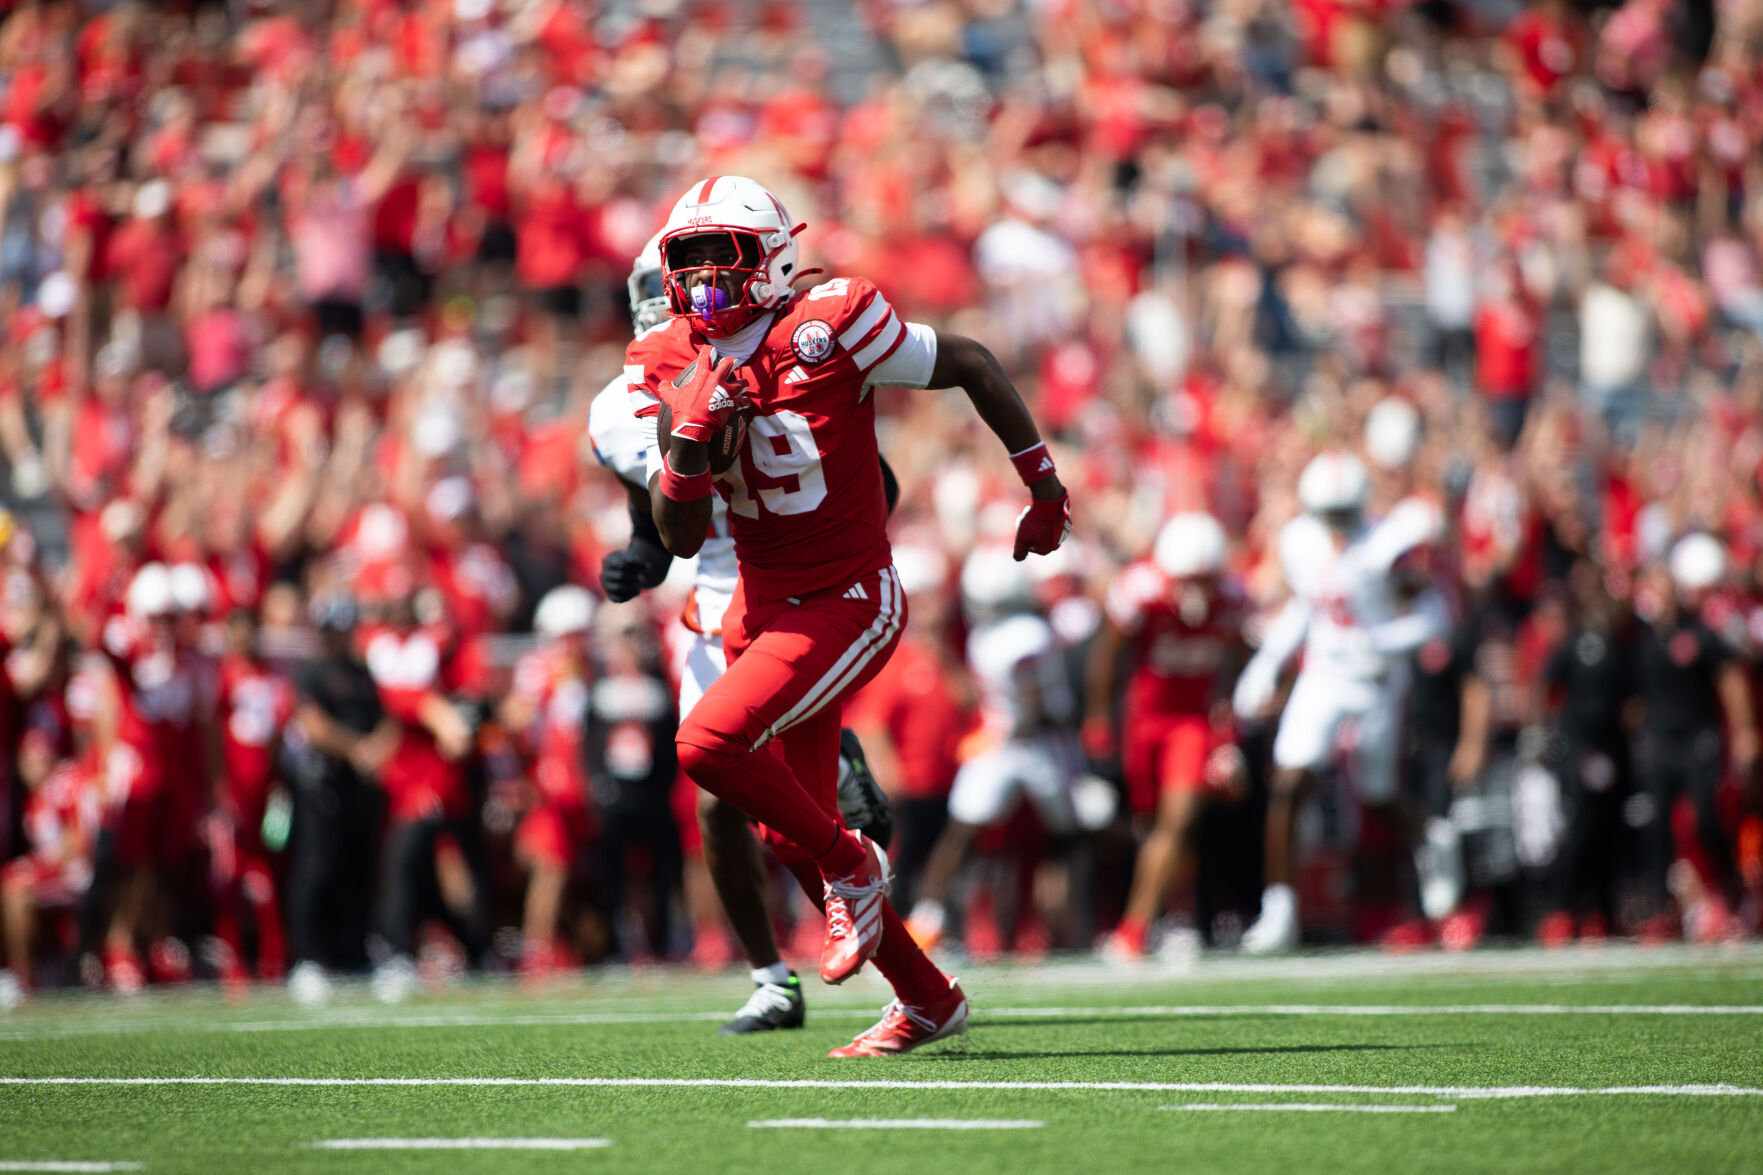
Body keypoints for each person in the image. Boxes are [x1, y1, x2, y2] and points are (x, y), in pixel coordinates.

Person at [631, 175, 1070, 1056]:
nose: (706, 276)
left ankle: (851, 861)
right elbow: (676, 537)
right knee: (778, 822)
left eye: (724, 254)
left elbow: (971, 361)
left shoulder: (829, 320)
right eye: (690, 257)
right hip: (761, 606)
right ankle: (927, 996)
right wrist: (688, 443)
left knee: (705, 744)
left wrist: (1042, 482)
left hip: (849, 595)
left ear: (772, 256)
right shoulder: (667, 356)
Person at [590, 234, 894, 1034]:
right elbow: (660, 528)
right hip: (715, 601)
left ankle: (900, 967)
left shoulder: (777, 358)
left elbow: (875, 484)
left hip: (799, 590)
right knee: (717, 798)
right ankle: (770, 976)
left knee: (772, 797)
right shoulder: (624, 403)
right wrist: (638, 558)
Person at [1232, 453, 1448, 953]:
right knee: (1290, 782)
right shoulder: (1299, 541)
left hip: (1376, 679)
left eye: (1342, 513)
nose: (1334, 525)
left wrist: (1382, 642)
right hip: (1324, 674)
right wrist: (1266, 665)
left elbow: (1435, 615)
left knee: (1378, 798)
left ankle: (1432, 838)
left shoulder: (1387, 545)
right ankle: (1279, 910)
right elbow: (1306, 609)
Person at [1088, 512, 1250, 960]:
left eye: (1205, 581)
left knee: (1177, 822)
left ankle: (1136, 929)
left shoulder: (1234, 598)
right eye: (1187, 581)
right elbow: (1107, 653)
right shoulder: (1142, 592)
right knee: (1150, 825)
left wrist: (1229, 724)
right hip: (1144, 721)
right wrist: (1098, 716)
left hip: (1192, 723)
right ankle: (1175, 914)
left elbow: (1241, 658)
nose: (1196, 592)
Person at [904, 547, 1083, 953]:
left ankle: (1065, 925)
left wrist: (1002, 731)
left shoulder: (1027, 636)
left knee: (1066, 834)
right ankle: (928, 918)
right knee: (964, 827)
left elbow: (1034, 705)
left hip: (1040, 741)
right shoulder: (990, 634)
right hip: (1007, 740)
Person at [286, 593, 384, 1003]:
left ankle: (353, 954)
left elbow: (384, 717)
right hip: (324, 783)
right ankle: (308, 957)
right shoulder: (314, 673)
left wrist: (377, 749)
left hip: (360, 785)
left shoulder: (362, 672)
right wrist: (355, 749)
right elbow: (312, 724)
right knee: (318, 869)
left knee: (357, 871)